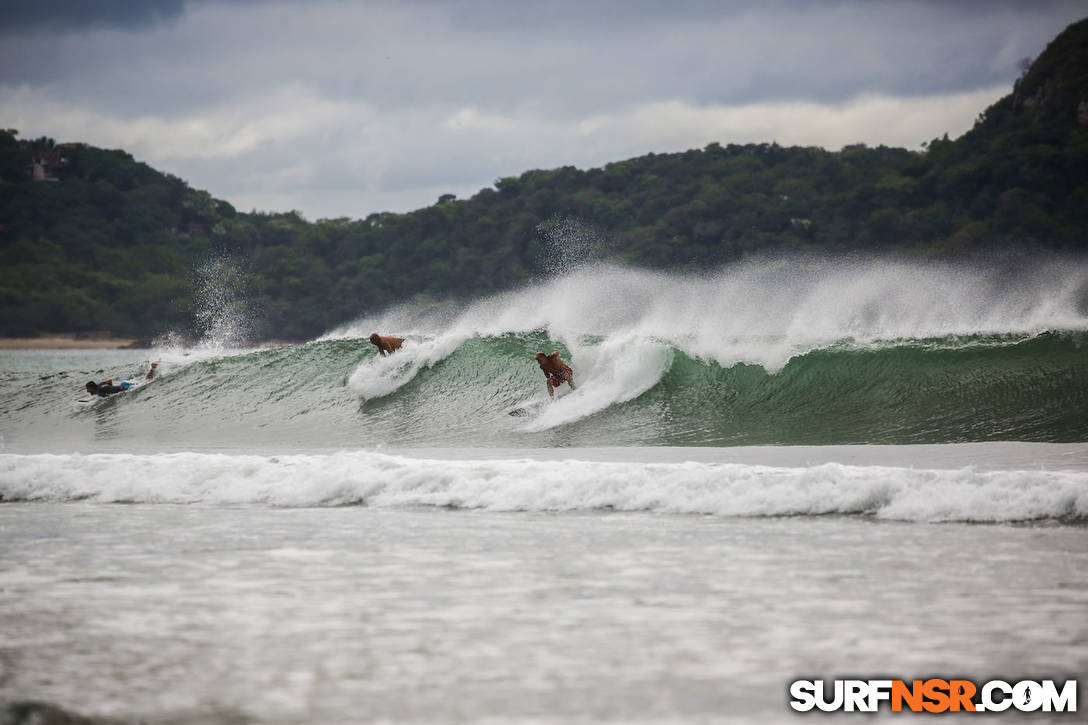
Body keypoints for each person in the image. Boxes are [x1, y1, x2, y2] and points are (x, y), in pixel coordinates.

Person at [85, 362, 158, 397]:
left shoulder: (99, 389)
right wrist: (111, 389)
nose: (87, 390)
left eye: (87, 389)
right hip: (123, 385)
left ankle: (153, 368)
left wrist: (107, 389)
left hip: (125, 387)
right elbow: (110, 381)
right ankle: (153, 368)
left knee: (146, 382)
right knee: (143, 381)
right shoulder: (99, 386)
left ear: (92, 387)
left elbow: (105, 386)